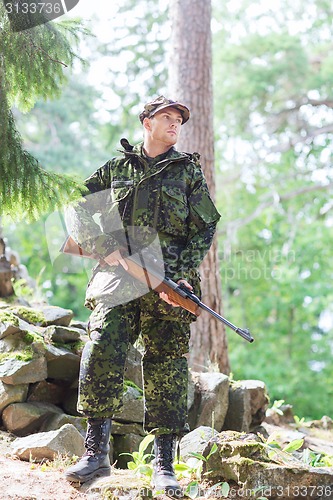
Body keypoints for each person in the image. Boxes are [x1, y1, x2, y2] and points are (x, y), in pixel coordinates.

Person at [64, 96, 221, 495]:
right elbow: (76, 205)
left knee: (166, 367)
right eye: (166, 118)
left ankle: (163, 465)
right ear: (146, 122)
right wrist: (101, 244)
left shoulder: (187, 173)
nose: (175, 124)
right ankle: (95, 454)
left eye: (179, 120)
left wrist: (181, 274)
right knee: (101, 349)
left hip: (168, 282)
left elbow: (205, 227)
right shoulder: (117, 167)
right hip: (118, 277)